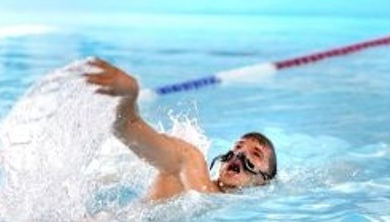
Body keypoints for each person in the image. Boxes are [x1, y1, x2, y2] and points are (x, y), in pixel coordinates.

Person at [84, 58, 277, 200]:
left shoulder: (225, 204)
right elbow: (126, 126)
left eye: (256, 154)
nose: (240, 153)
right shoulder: (191, 164)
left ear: (264, 181)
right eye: (238, 146)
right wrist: (128, 95)